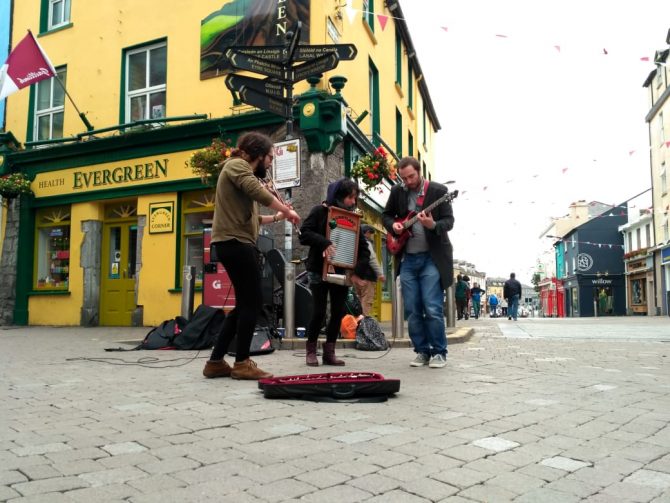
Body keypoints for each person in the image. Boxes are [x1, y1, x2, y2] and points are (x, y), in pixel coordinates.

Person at [203, 132, 300, 380]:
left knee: (244, 304)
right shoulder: (237, 166)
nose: (270, 163)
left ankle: (215, 362)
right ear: (257, 154)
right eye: (269, 157)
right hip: (235, 243)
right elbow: (258, 193)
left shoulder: (240, 175)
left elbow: (254, 219)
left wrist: (278, 217)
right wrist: (287, 210)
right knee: (253, 302)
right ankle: (242, 362)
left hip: (235, 241)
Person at [382, 156, 454, 369]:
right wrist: (393, 225)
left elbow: (449, 222)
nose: (408, 182)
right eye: (404, 178)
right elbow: (385, 215)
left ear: (419, 172)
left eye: (411, 177)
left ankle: (439, 352)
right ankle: (422, 351)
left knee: (431, 307)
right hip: (408, 259)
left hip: (431, 258)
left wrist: (432, 224)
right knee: (413, 309)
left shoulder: (439, 191)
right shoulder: (397, 192)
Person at [299, 178, 370, 366]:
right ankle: (311, 351)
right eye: (350, 197)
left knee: (338, 312)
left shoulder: (354, 220)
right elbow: (304, 234)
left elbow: (364, 251)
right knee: (319, 312)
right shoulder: (319, 212)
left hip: (342, 272)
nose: (353, 202)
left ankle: (329, 352)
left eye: (355, 198)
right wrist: (325, 242)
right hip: (318, 269)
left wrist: (357, 273)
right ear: (338, 196)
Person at [352, 224, 385, 317]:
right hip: (367, 277)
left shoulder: (353, 242)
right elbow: (372, 259)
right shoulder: (366, 243)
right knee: (366, 302)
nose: (370, 235)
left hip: (356, 277)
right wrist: (380, 273)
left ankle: (357, 324)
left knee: (359, 301)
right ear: (366, 233)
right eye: (370, 233)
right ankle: (363, 326)